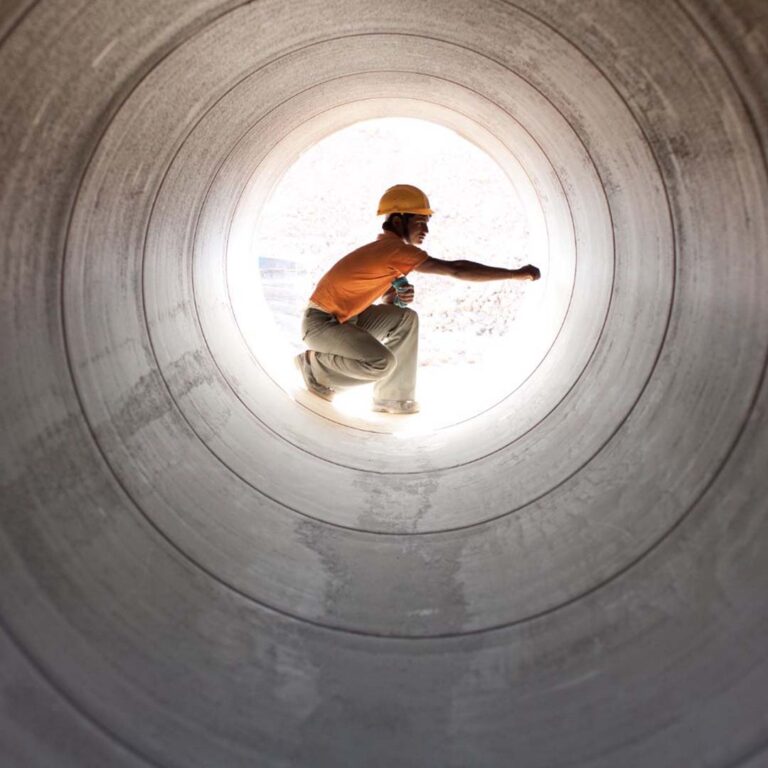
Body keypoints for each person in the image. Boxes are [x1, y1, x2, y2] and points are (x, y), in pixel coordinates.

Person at [294, 184, 541, 414]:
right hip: (321, 325)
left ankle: (392, 398)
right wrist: (513, 274)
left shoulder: (387, 252)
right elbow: (456, 269)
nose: (426, 230)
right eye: (421, 222)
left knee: (405, 318)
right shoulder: (395, 250)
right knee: (381, 362)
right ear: (399, 220)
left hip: (346, 320)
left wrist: (395, 295)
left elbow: (387, 305)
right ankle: (315, 367)